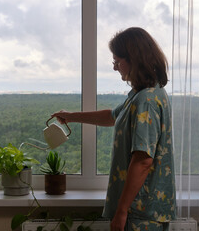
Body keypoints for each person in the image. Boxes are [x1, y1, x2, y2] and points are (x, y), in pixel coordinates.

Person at [51, 27, 176, 231]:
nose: (115, 67)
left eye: (117, 61)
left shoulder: (146, 101)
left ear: (134, 59)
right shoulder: (143, 94)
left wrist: (122, 210)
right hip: (143, 209)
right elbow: (112, 116)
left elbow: (143, 160)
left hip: (141, 211)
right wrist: (71, 116)